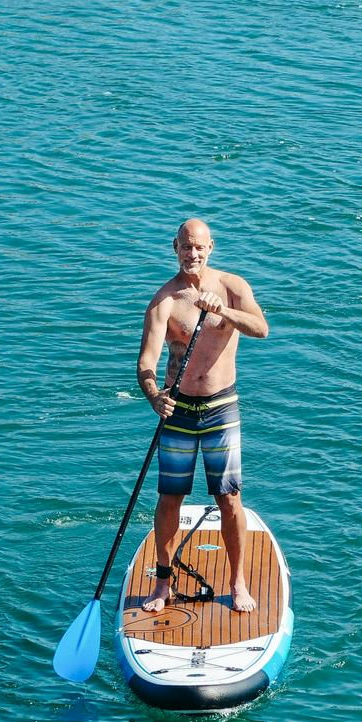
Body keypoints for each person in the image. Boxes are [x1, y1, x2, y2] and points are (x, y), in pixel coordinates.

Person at [136, 219, 270, 613]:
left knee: (228, 498)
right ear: (174, 247)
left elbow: (261, 328)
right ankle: (163, 583)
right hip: (177, 409)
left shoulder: (232, 287)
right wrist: (153, 395)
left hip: (220, 408)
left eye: (199, 247)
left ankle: (238, 581)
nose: (192, 254)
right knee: (170, 497)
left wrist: (224, 311)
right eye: (185, 246)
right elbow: (146, 362)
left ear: (210, 247)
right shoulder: (164, 301)